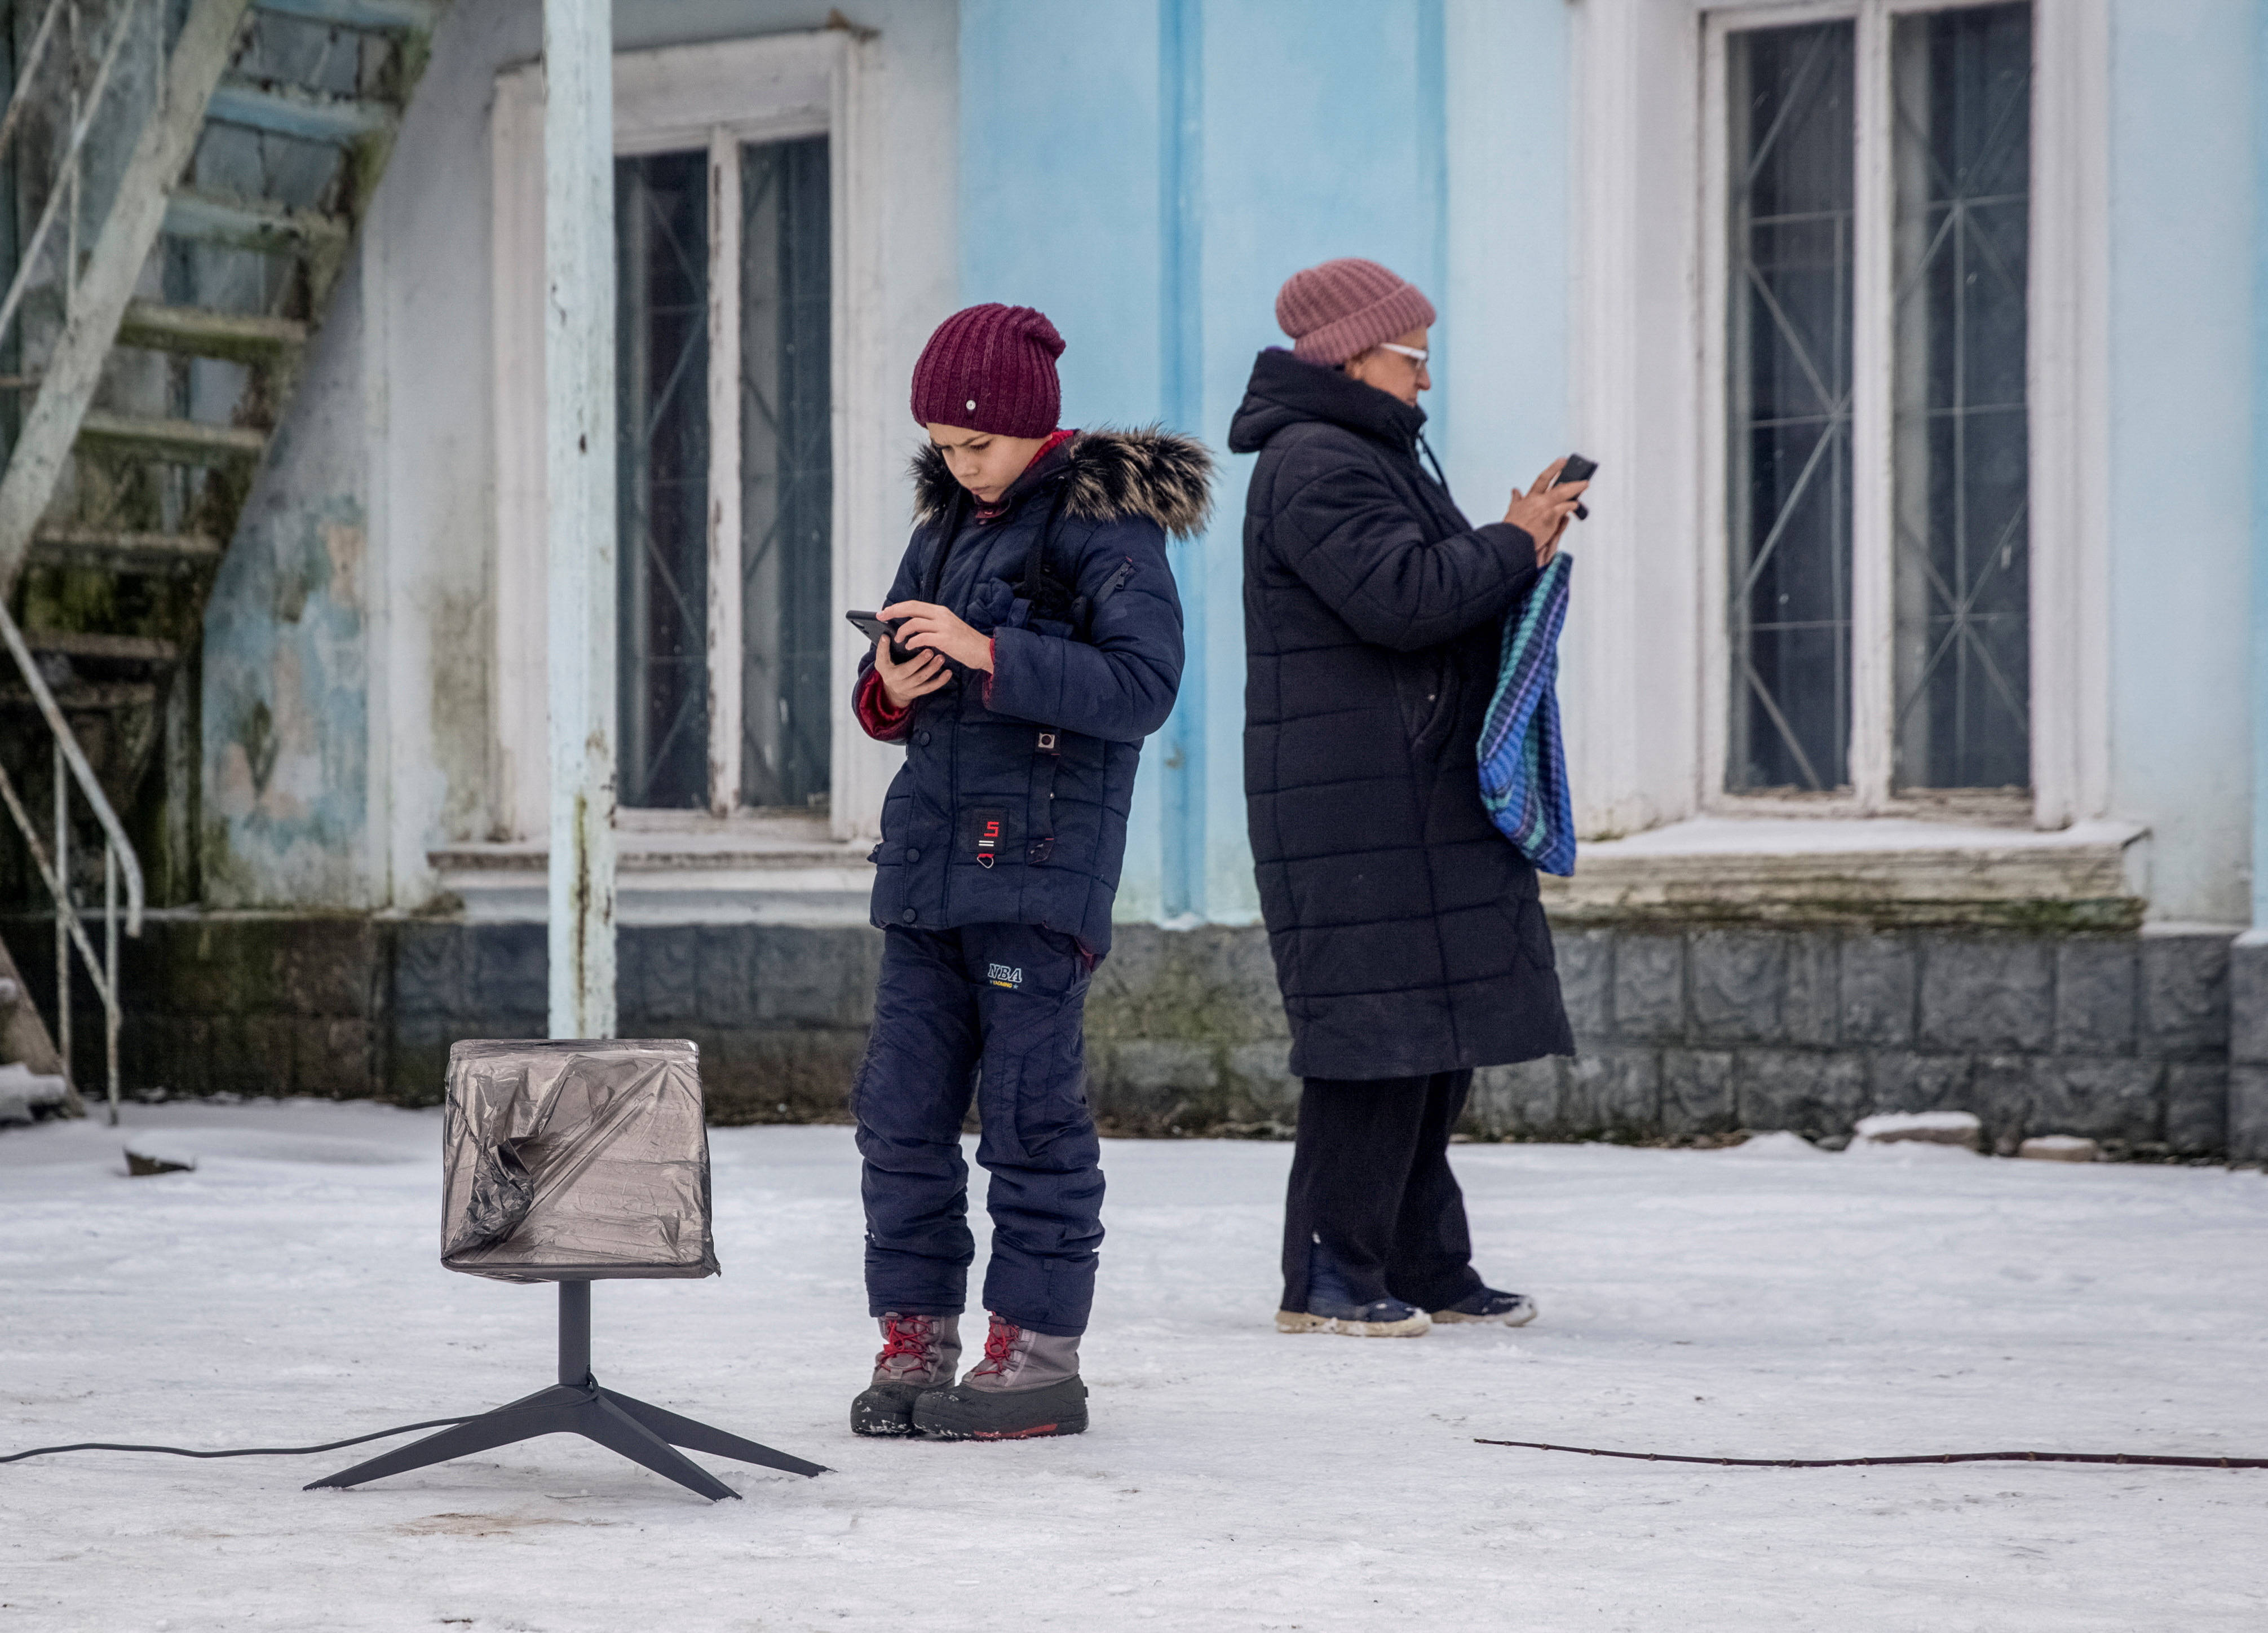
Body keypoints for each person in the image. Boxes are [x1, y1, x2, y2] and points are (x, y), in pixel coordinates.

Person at [846, 303, 1210, 1438]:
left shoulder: (1108, 532)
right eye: (943, 448)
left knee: (1026, 1117)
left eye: (976, 446)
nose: (958, 467)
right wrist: (893, 685)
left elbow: (1141, 687)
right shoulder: (945, 524)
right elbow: (896, 690)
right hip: (928, 869)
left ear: (1030, 427)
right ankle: (916, 1337)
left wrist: (990, 652)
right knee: (898, 1115)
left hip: (1040, 873)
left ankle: (1035, 1352)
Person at [1229, 258, 1585, 1339]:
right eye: (1413, 356)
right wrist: (1514, 541)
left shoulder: (1367, 454)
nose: (1427, 379)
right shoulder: (1313, 465)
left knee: (1434, 1044)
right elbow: (1403, 599)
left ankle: (1426, 1263)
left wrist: (1513, 548)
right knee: (1371, 1049)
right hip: (1356, 810)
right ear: (1351, 353)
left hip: (1407, 793)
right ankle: (1332, 1276)